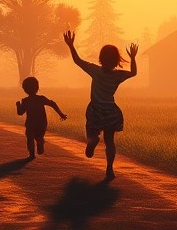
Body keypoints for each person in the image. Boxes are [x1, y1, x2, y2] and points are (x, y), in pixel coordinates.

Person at [63, 29, 138, 181]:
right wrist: (133, 57)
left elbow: (77, 61)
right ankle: (109, 168)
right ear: (117, 60)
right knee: (110, 141)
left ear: (101, 59)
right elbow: (133, 73)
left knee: (91, 130)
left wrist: (71, 45)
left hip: (96, 109)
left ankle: (92, 140)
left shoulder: (95, 70)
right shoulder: (118, 75)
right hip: (111, 111)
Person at [16, 76, 67, 159]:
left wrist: (18, 105)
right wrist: (61, 114)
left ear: (25, 90)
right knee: (38, 136)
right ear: (37, 87)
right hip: (42, 123)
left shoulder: (25, 101)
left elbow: (20, 113)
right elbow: (53, 104)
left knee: (30, 137)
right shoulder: (41, 99)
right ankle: (40, 141)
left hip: (30, 123)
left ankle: (31, 154)